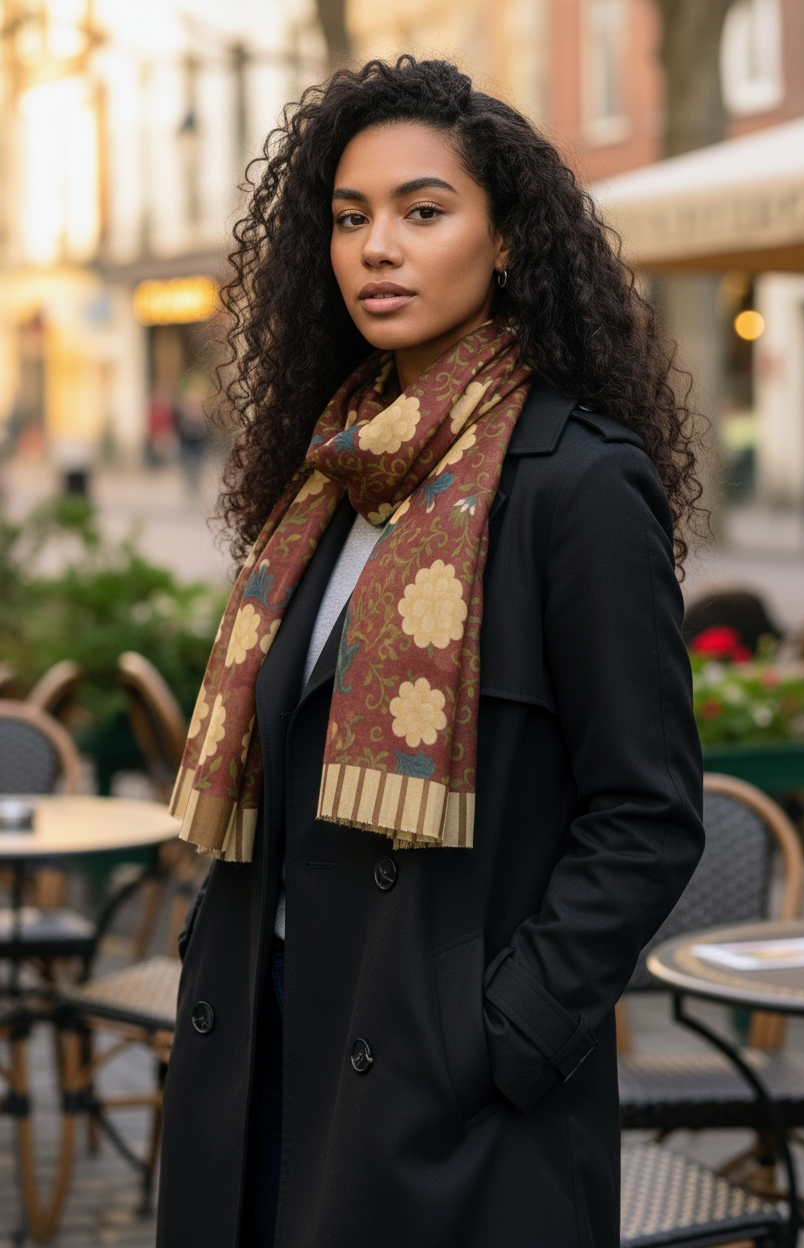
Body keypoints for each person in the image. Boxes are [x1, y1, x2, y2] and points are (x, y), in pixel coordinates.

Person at [157, 56, 705, 1248]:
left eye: (422, 210)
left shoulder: (578, 484)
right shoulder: (329, 473)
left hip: (439, 1085)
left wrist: (499, 1035)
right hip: (262, 1039)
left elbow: (647, 813)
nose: (376, 248)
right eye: (350, 219)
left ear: (504, 241)